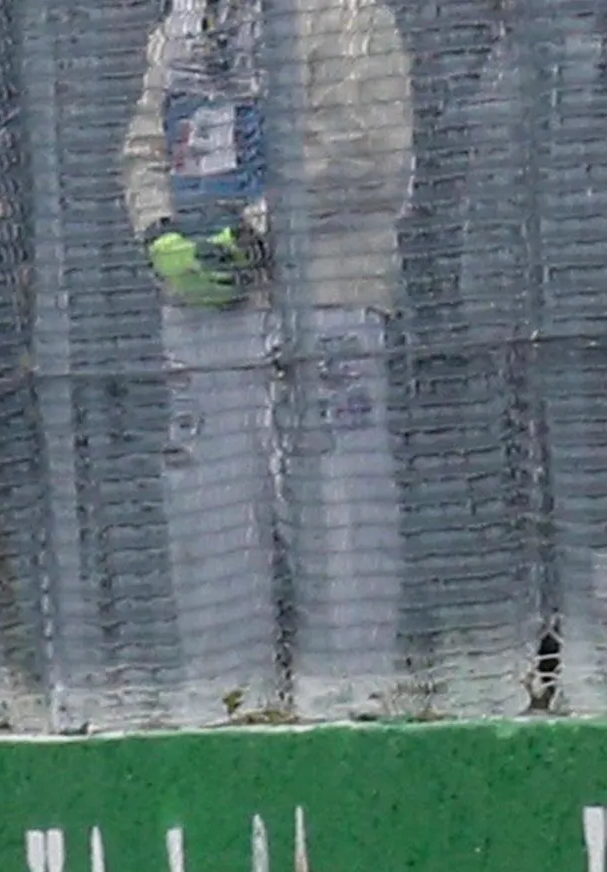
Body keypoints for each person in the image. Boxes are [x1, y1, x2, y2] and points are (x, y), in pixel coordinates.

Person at [122, 0, 412, 717]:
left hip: (326, 300)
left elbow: (367, 150)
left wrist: (253, 228)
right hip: (206, 312)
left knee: (337, 508)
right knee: (211, 516)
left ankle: (351, 701)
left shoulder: (346, 14)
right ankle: (227, 702)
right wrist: (161, 232)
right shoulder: (185, 23)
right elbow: (143, 146)